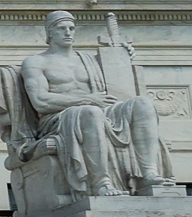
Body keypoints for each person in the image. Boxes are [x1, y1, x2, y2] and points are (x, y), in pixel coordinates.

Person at [20, 11, 175, 198]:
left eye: (71, 28)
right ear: (50, 33)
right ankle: (101, 183)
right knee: (91, 113)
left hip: (99, 109)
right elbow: (40, 102)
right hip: (58, 118)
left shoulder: (88, 60)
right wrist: (88, 99)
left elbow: (117, 85)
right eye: (62, 28)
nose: (68, 33)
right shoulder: (36, 62)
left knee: (142, 104)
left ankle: (148, 174)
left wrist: (122, 56)